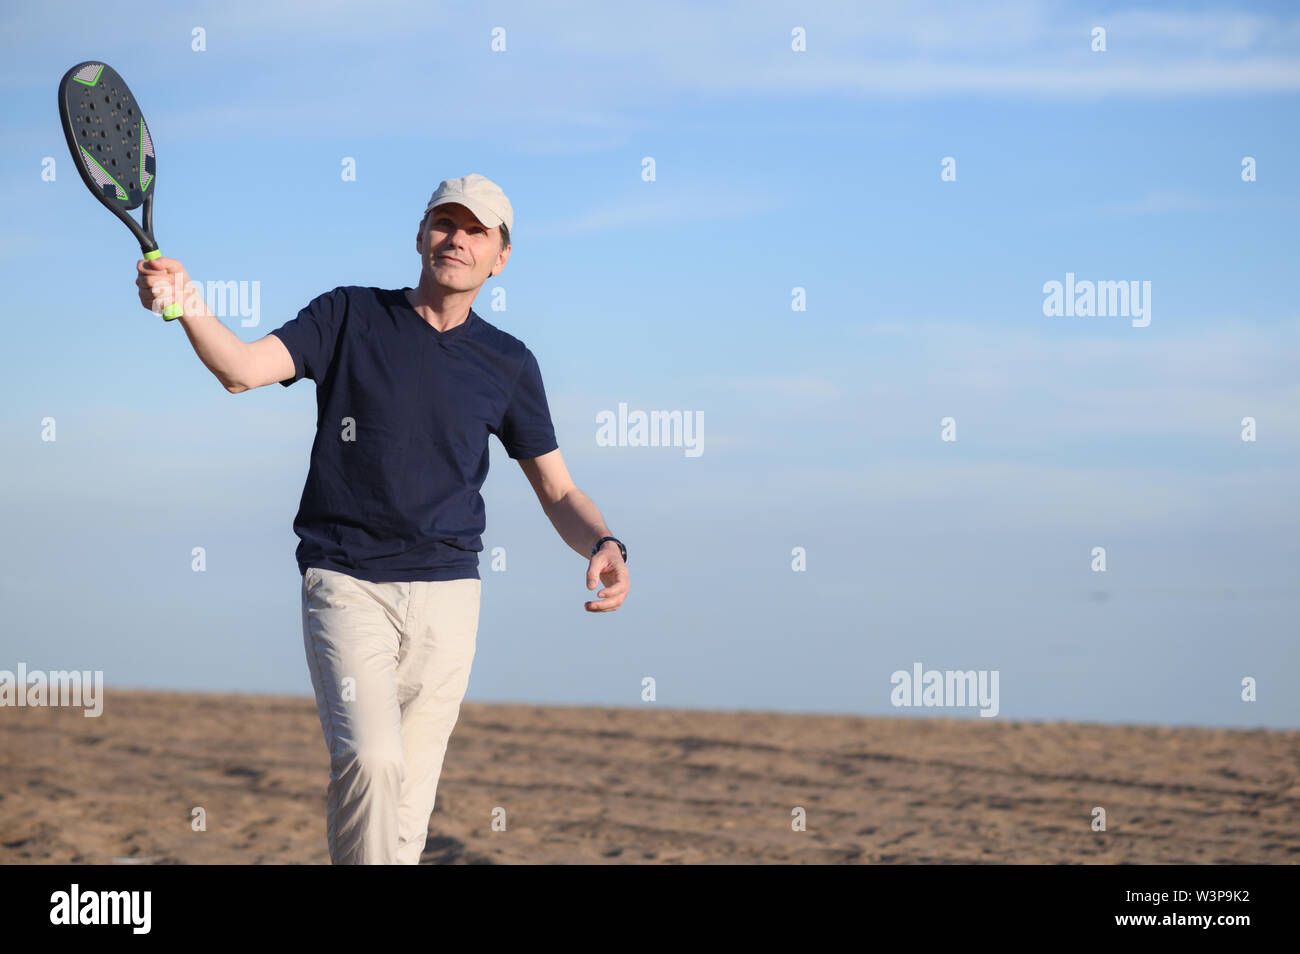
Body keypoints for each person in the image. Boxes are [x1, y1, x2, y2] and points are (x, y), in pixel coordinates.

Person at [135, 173, 630, 864]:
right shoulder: (347, 316)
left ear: (501, 257)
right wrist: (185, 304)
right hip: (346, 582)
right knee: (371, 761)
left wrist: (604, 541)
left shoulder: (509, 363)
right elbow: (242, 367)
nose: (455, 238)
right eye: (443, 223)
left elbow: (558, 490)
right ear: (421, 234)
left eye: (474, 229)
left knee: (406, 809)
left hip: (450, 598)